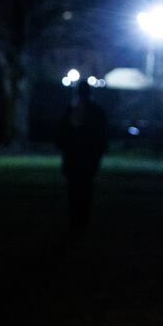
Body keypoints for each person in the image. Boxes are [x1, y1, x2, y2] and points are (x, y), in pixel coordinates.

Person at [56, 80, 108, 231]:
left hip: (73, 156)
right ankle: (82, 218)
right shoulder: (96, 111)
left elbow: (62, 133)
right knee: (86, 188)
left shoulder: (71, 110)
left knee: (74, 189)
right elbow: (102, 135)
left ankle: (75, 217)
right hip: (88, 157)